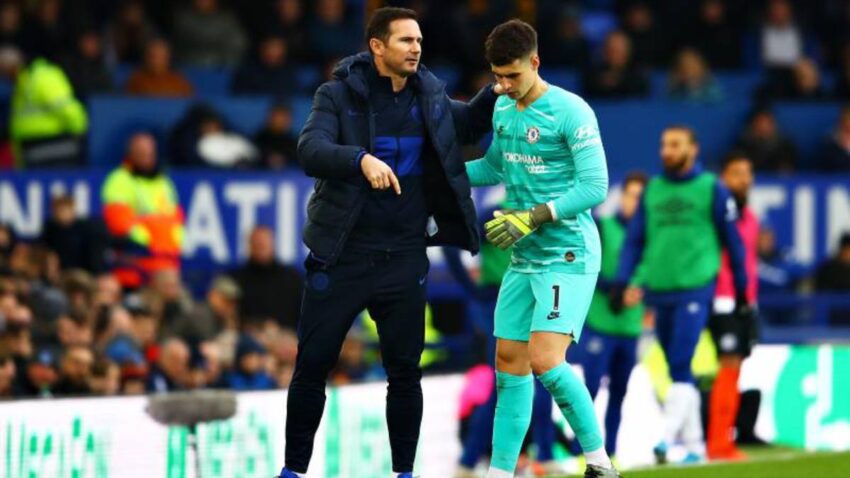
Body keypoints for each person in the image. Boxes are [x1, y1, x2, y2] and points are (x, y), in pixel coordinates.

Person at [278, 7, 499, 478]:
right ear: (377, 46)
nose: (416, 48)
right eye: (405, 40)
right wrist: (359, 159)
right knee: (312, 366)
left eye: (418, 40)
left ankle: (403, 473)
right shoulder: (336, 95)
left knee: (404, 373)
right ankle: (293, 471)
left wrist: (496, 89)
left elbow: (469, 126)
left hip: (403, 256)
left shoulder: (430, 95)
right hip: (343, 255)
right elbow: (309, 149)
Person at [465, 19, 616, 478]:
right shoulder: (502, 109)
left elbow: (595, 186)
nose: (503, 86)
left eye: (512, 75)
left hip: (567, 254)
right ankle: (500, 472)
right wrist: (437, 174)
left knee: (546, 359)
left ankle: (600, 464)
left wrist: (532, 217)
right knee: (508, 364)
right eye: (497, 76)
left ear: (535, 62)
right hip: (524, 259)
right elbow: (495, 166)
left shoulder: (572, 111)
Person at [612, 125, 749, 465]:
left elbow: (733, 242)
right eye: (663, 145)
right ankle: (694, 445)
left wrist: (743, 290)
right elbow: (634, 242)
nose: (666, 151)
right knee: (678, 371)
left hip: (696, 288)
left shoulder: (711, 188)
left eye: (675, 145)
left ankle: (665, 439)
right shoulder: (653, 190)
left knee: (681, 359)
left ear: (693, 149)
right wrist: (621, 281)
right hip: (660, 291)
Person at [573, 172, 647, 460]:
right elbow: (588, 269)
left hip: (629, 327)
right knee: (588, 390)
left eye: (642, 198)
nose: (636, 203)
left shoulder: (648, 237)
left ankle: (611, 452)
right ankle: (581, 450)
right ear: (623, 197)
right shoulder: (602, 227)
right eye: (632, 196)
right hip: (600, 324)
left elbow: (651, 272)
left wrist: (639, 290)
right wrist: (620, 291)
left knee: (619, 392)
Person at [706, 152, 760, 460]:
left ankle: (725, 440)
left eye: (748, 172)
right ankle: (717, 443)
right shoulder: (718, 212)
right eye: (737, 173)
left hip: (744, 299)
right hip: (722, 298)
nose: (744, 179)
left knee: (735, 367)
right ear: (724, 177)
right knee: (728, 365)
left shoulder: (749, 216)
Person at [101, 133, 184, 289]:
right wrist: (153, 238)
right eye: (142, 154)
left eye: (150, 154)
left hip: (168, 266)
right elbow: (119, 225)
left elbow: (176, 220)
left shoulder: (163, 182)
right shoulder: (119, 180)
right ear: (131, 154)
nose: (147, 158)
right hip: (136, 270)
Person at [9, 51, 88, 167]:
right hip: (30, 152)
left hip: (56, 150)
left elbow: (68, 110)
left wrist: (81, 135)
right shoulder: (23, 80)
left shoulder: (44, 77)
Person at [229, 226, 302, 330]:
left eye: (264, 244)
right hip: (249, 338)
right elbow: (230, 316)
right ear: (249, 246)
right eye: (257, 244)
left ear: (272, 244)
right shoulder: (236, 279)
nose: (261, 247)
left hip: (287, 338)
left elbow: (305, 313)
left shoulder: (292, 277)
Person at [125, 39, 194, 97]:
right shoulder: (135, 81)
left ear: (167, 58)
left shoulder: (179, 82)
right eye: (152, 56)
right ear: (146, 57)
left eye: (160, 57)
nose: (155, 61)